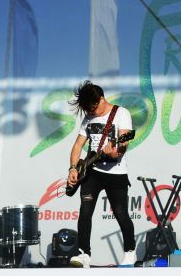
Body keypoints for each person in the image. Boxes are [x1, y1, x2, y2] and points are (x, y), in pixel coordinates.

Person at [66, 81, 136, 268]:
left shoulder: (121, 113)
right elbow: (78, 146)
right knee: (85, 211)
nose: (91, 112)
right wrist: (73, 168)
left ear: (101, 99)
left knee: (121, 213)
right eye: (88, 109)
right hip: (92, 173)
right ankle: (84, 254)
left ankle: (130, 252)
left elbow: (123, 145)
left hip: (116, 173)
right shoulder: (88, 118)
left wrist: (113, 151)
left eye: (93, 108)